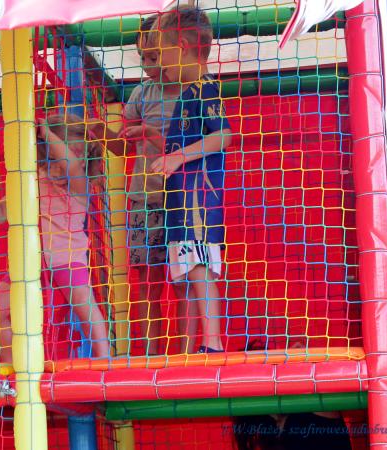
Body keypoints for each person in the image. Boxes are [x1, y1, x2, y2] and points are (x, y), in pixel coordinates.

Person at [0, 114, 110, 363]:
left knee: (85, 308)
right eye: (55, 156)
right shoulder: (32, 180)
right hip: (31, 261)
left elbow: (70, 164)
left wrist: (46, 132)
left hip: (67, 259)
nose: (66, 162)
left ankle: (104, 360)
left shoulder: (78, 184)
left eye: (77, 155)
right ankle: (13, 362)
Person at [91, 14, 182, 355]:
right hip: (144, 196)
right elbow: (121, 147)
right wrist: (99, 130)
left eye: (154, 57)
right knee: (147, 280)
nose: (148, 65)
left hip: (181, 197)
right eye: (143, 57)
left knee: (185, 278)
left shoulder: (192, 91)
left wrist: (151, 134)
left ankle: (184, 354)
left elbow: (193, 147)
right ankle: (151, 354)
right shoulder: (142, 93)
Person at [149, 6, 233, 353]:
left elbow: (223, 135)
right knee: (186, 271)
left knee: (199, 266)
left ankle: (212, 343)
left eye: (161, 53)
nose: (159, 64)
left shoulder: (204, 88)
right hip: (181, 200)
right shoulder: (187, 93)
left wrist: (177, 157)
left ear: (182, 46)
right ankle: (189, 349)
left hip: (198, 198)